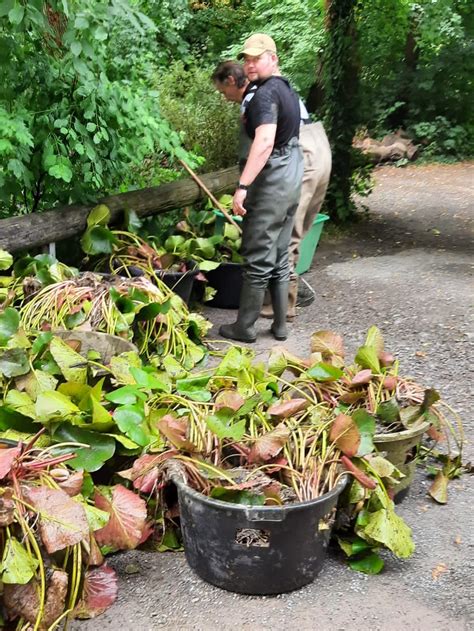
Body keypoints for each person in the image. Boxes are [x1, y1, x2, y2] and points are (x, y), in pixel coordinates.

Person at [213, 58, 332, 320]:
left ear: (232, 81)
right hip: (319, 145)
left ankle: (279, 307)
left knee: (282, 235)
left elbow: (263, 146)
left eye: (223, 92)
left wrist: (244, 188)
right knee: (292, 230)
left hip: (302, 153)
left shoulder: (256, 97)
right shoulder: (280, 86)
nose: (224, 98)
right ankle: (282, 308)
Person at [215, 34, 304, 343]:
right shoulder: (286, 88)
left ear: (273, 58)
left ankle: (245, 326)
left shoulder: (265, 95)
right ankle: (280, 326)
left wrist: (242, 186)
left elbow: (265, 142)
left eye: (257, 58)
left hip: (274, 178)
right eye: (247, 59)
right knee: (280, 253)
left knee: (257, 256)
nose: (250, 64)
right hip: (293, 173)